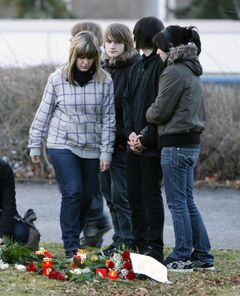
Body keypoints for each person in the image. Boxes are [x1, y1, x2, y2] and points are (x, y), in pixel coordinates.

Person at [28, 31, 116, 257]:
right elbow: (43, 113)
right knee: (73, 192)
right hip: (62, 144)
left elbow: (109, 118)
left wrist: (106, 152)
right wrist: (35, 145)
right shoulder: (57, 78)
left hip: (92, 147)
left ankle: (74, 236)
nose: (85, 62)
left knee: (87, 197)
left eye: (89, 58)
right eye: (80, 57)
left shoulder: (105, 81)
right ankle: (70, 247)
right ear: (73, 56)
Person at [146, 25, 215, 272]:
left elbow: (159, 111)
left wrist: (148, 112)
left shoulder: (173, 72)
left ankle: (182, 254)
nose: (158, 53)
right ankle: (203, 256)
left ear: (170, 48)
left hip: (175, 145)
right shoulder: (191, 68)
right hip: (190, 143)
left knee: (177, 203)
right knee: (187, 201)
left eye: (160, 48)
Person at [122, 16, 165, 262]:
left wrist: (145, 137)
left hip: (152, 145)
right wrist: (129, 132)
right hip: (133, 143)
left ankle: (154, 246)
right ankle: (137, 242)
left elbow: (162, 106)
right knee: (133, 196)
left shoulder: (161, 66)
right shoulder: (137, 65)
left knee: (150, 195)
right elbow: (128, 102)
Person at [100, 23, 141, 254]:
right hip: (103, 142)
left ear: (126, 43)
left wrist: (124, 135)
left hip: (122, 142)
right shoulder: (103, 67)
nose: (112, 46)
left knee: (121, 195)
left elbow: (129, 108)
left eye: (116, 41)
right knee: (108, 194)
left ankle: (128, 240)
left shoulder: (132, 68)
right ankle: (119, 238)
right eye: (108, 41)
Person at [70, 21, 112, 248]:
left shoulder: (100, 71)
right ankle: (92, 231)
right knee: (86, 189)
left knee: (86, 190)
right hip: (81, 139)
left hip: (92, 140)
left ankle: (96, 222)